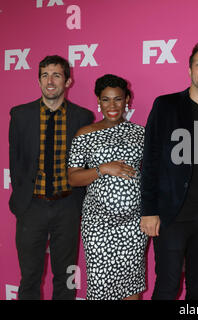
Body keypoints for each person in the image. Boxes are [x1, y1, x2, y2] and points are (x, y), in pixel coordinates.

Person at [140, 42, 198, 300]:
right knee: (167, 286)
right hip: (171, 216)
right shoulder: (166, 106)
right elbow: (151, 159)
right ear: (189, 70)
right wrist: (149, 211)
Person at [8, 55, 94, 300]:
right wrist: (22, 200)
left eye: (56, 75)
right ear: (38, 81)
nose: (50, 80)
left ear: (68, 81)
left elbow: (85, 165)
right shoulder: (21, 115)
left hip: (67, 207)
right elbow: (16, 162)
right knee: (30, 277)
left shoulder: (82, 118)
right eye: (45, 75)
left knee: (65, 277)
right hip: (31, 207)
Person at [67, 74, 147, 300]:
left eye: (118, 99)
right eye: (106, 100)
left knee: (132, 286)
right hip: (98, 225)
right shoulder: (85, 134)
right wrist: (103, 169)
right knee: (101, 288)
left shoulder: (141, 133)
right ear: (98, 102)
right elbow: (73, 178)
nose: (112, 105)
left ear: (127, 100)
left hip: (133, 225)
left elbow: (151, 174)